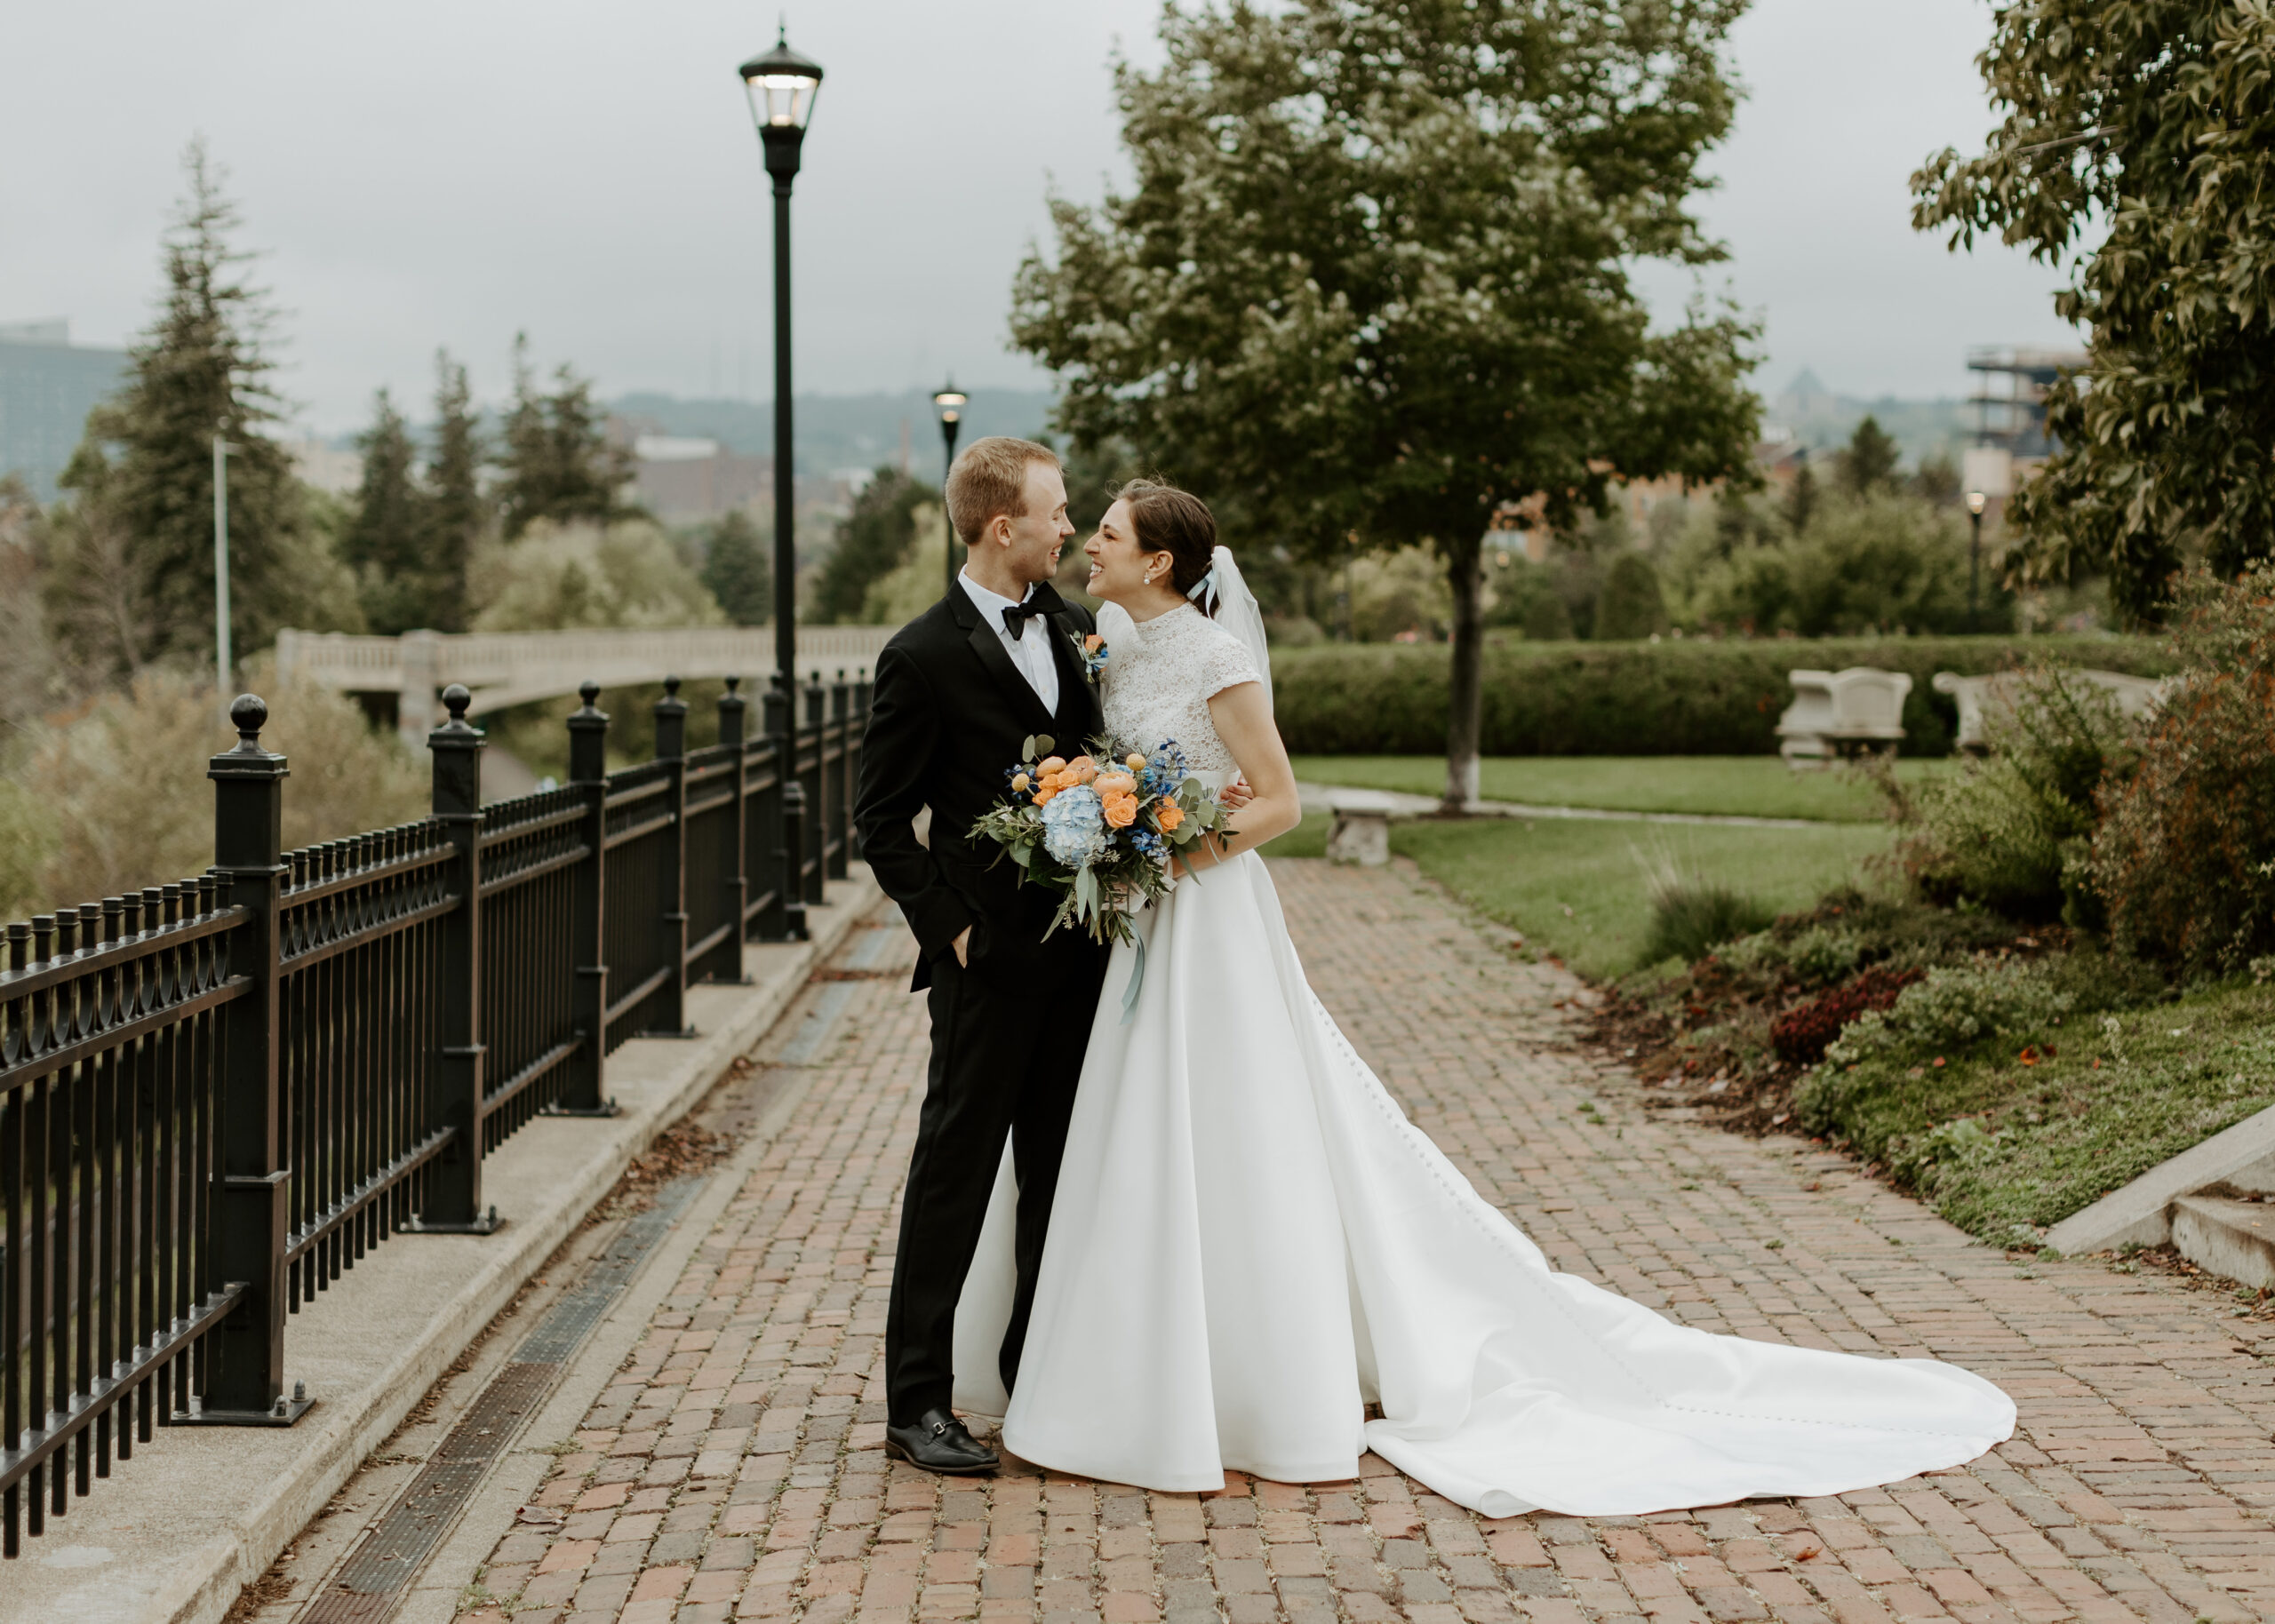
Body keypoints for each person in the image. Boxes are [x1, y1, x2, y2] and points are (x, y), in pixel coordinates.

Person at [950, 480, 2016, 1517]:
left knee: (1232, 1134)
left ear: (1159, 559)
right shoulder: (1118, 646)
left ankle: (1253, 1393)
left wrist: (1169, 857)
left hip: (1207, 919)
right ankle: (1128, 1374)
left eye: (1106, 532)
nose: (1090, 543)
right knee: (1134, 1137)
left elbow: (1279, 802)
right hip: (1140, 923)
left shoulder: (1220, 655)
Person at [850, 436, 1112, 1476]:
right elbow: (878, 822)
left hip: (1081, 957)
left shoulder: (1078, 629)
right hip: (984, 965)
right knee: (953, 1176)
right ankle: (916, 1403)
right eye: (1055, 511)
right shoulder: (920, 655)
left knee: (1057, 1174)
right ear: (1002, 525)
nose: (1068, 526)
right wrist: (953, 930)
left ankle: (1030, 1376)